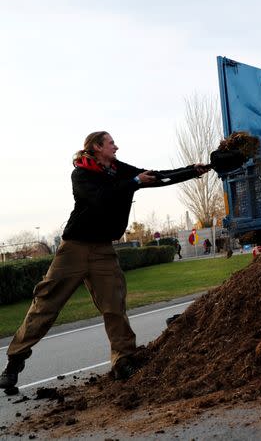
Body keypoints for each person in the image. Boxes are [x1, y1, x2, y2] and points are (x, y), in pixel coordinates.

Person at [0, 132, 209, 390]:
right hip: (74, 249)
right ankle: (14, 361)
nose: (116, 146)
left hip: (103, 250)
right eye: (111, 143)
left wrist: (193, 170)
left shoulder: (119, 170)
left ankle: (123, 361)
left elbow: (156, 176)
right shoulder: (81, 174)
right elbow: (100, 198)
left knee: (114, 304)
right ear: (97, 147)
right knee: (46, 304)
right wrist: (133, 181)